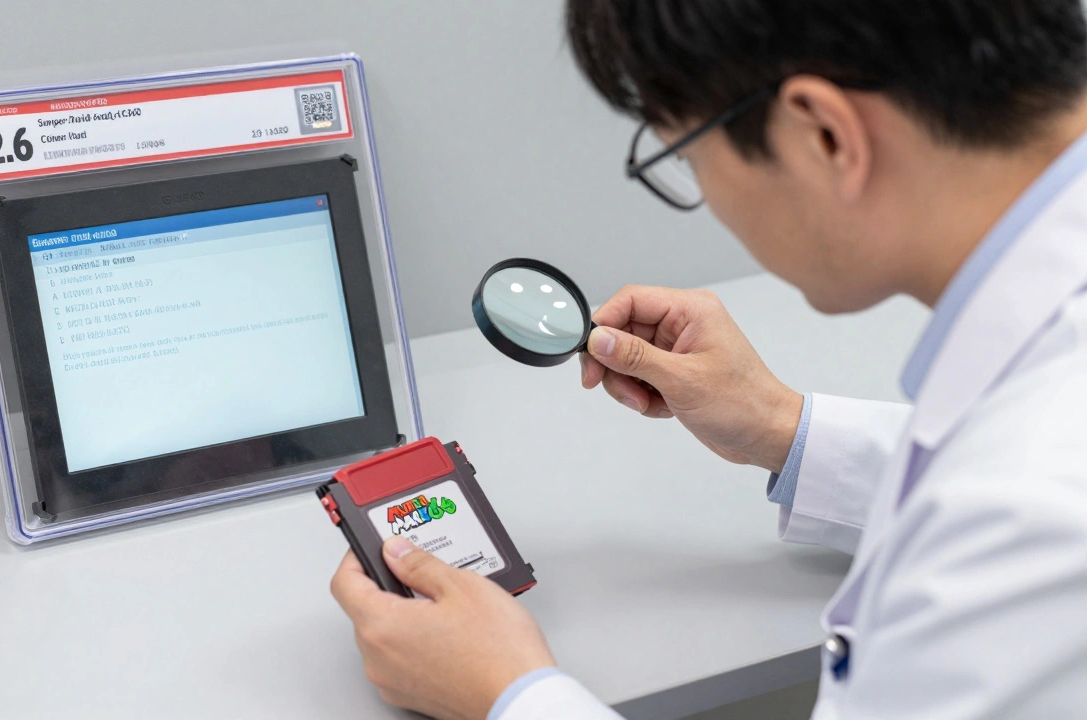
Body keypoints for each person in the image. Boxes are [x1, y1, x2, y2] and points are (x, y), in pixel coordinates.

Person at [329, 0, 1087, 717]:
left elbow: (1001, 499)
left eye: (684, 153)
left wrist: (509, 695)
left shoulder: (1018, 526)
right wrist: (782, 428)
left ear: (824, 135)